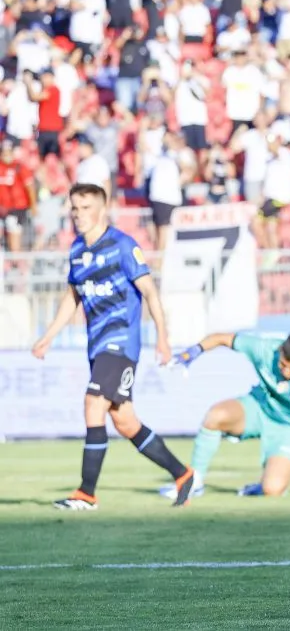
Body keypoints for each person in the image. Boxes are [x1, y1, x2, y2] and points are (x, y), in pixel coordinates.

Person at [32, 183, 194, 510]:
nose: (79, 214)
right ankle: (182, 473)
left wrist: (162, 337)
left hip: (121, 343)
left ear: (102, 209)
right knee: (125, 421)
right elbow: (72, 297)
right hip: (97, 346)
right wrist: (49, 334)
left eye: (86, 207)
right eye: (75, 208)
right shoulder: (77, 250)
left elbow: (149, 291)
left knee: (94, 403)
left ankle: (86, 493)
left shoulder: (122, 245)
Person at [159, 331, 290, 498]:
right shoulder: (264, 349)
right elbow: (222, 338)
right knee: (215, 416)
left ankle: (260, 486)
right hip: (258, 408)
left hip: (289, 428)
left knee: (273, 489)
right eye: (283, 365)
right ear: (280, 351)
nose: (285, 372)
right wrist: (194, 352)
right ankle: (194, 481)